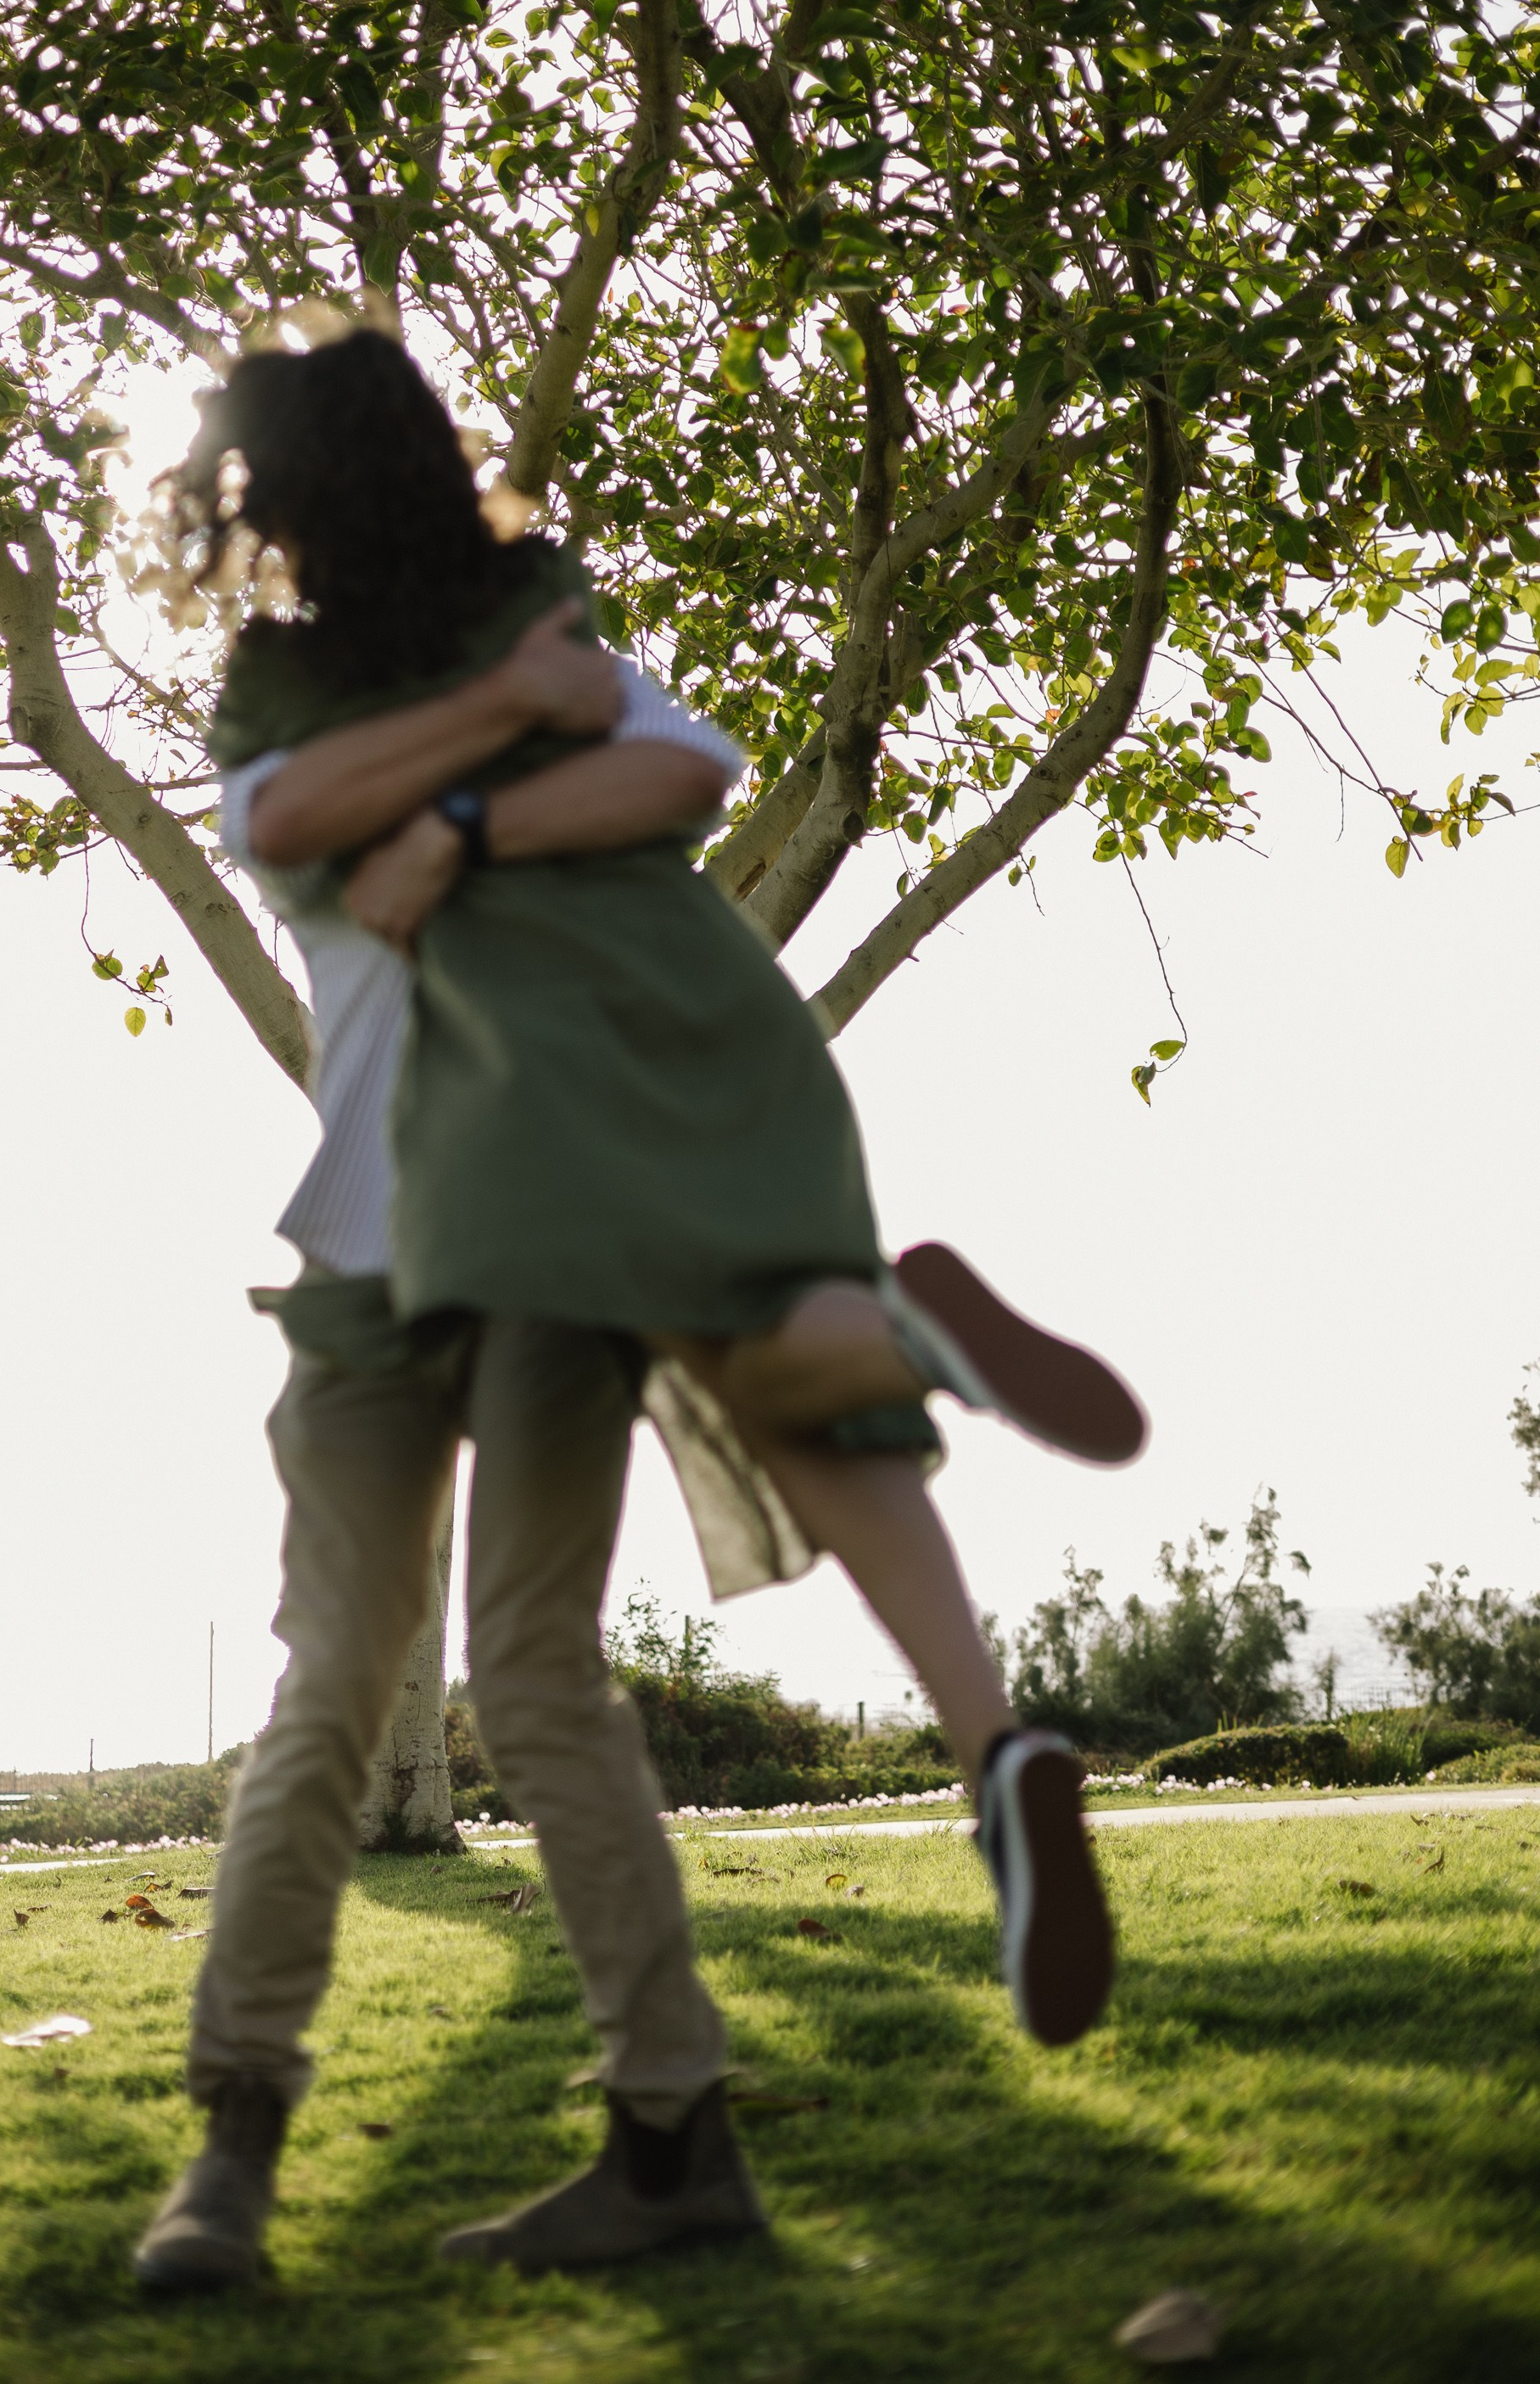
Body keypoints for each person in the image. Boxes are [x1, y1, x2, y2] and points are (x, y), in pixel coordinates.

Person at [134, 325, 1140, 2289]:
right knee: (366, 1683)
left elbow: (678, 763)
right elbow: (285, 820)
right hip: (395, 1250)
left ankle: (664, 2142)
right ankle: (239, 2153)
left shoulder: (509, 626)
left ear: (269, 504)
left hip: (532, 1234)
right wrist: (507, 722)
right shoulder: (365, 677)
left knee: (509, 1676)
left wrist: (478, 796)